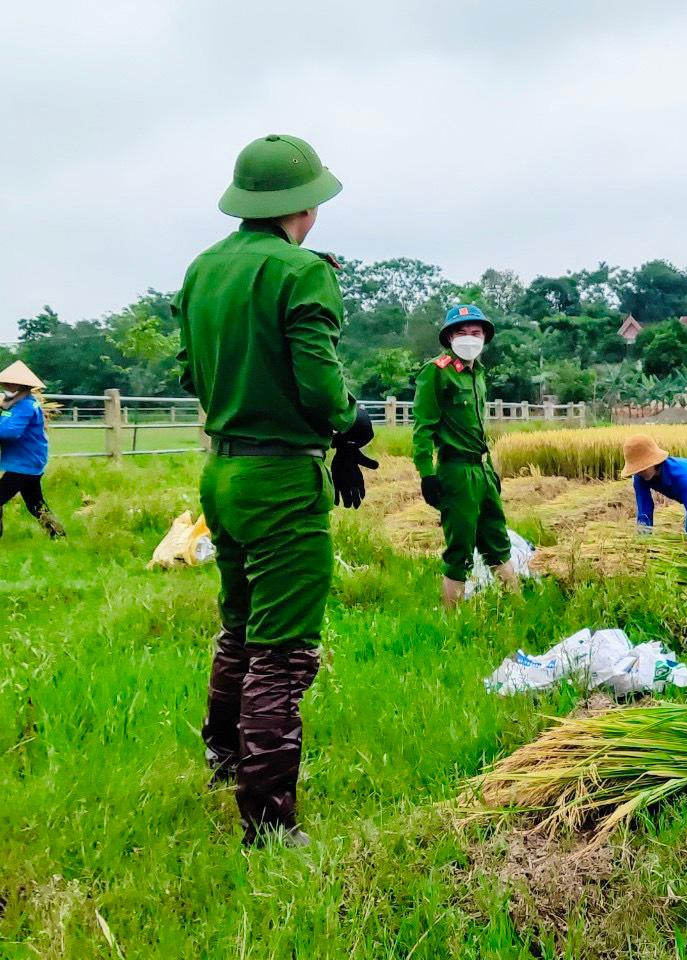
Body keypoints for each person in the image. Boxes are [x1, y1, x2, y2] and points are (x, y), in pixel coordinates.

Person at [173, 133, 378, 847]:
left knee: (238, 626)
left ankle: (223, 759)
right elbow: (321, 386)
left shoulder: (202, 271)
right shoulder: (302, 273)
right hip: (281, 477)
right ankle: (268, 823)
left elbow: (189, 375)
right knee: (282, 651)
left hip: (221, 472)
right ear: (307, 205)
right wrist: (352, 425)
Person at [413, 303, 516, 607]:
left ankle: (517, 607)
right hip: (456, 472)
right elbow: (423, 428)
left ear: (484, 337)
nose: (469, 337)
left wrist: (491, 470)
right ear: (449, 337)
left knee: (498, 541)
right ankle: (450, 622)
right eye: (462, 332)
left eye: (476, 332)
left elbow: (478, 428)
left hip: (481, 470)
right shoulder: (437, 372)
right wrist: (426, 474)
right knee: (460, 550)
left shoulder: (479, 374)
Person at [0, 361, 64, 539]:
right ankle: (58, 535)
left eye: (8, 384)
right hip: (27, 461)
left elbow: (10, 432)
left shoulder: (25, 407)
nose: (5, 387)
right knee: (35, 503)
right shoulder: (15, 404)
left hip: (24, 462)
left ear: (20, 386)